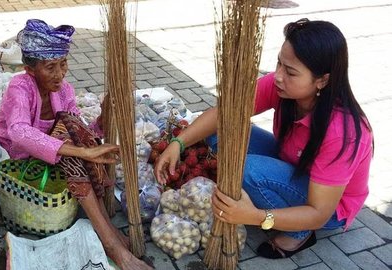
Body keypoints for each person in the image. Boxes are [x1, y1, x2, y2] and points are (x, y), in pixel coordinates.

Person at [154, 18, 373, 259]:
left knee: (246, 170)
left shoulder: (344, 133)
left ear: (322, 80)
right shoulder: (282, 87)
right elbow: (225, 113)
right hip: (293, 163)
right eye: (279, 63)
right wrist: (178, 143)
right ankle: (263, 190)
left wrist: (256, 217)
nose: (278, 76)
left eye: (290, 72)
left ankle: (301, 233)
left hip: (327, 208)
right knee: (223, 131)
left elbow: (320, 212)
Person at [0, 19, 152, 269]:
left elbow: (79, 131)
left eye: (63, 64)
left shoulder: (64, 90)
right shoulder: (19, 86)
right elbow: (19, 132)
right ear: (30, 69)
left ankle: (109, 233)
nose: (60, 74)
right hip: (19, 159)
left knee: (72, 131)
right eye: (50, 67)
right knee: (74, 147)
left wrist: (102, 120)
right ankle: (112, 243)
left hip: (58, 157)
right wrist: (83, 150)